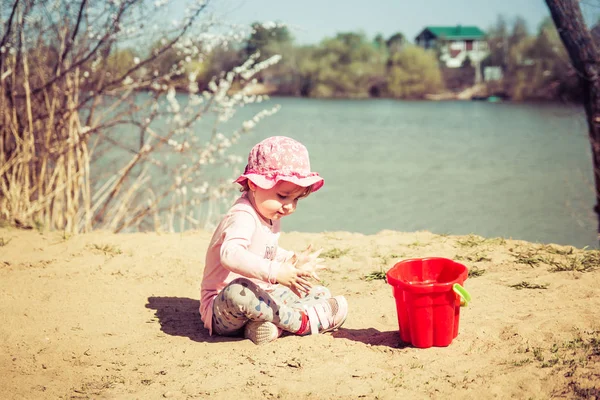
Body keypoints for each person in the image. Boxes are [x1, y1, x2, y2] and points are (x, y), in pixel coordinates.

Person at [199, 136, 348, 344]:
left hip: (261, 296)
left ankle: (266, 328)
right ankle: (301, 322)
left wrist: (292, 261)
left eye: (296, 199)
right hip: (224, 309)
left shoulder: (269, 212)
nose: (289, 206)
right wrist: (275, 272)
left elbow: (266, 251)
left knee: (318, 292)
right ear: (253, 184)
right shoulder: (243, 215)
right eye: (283, 196)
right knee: (239, 290)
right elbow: (230, 254)